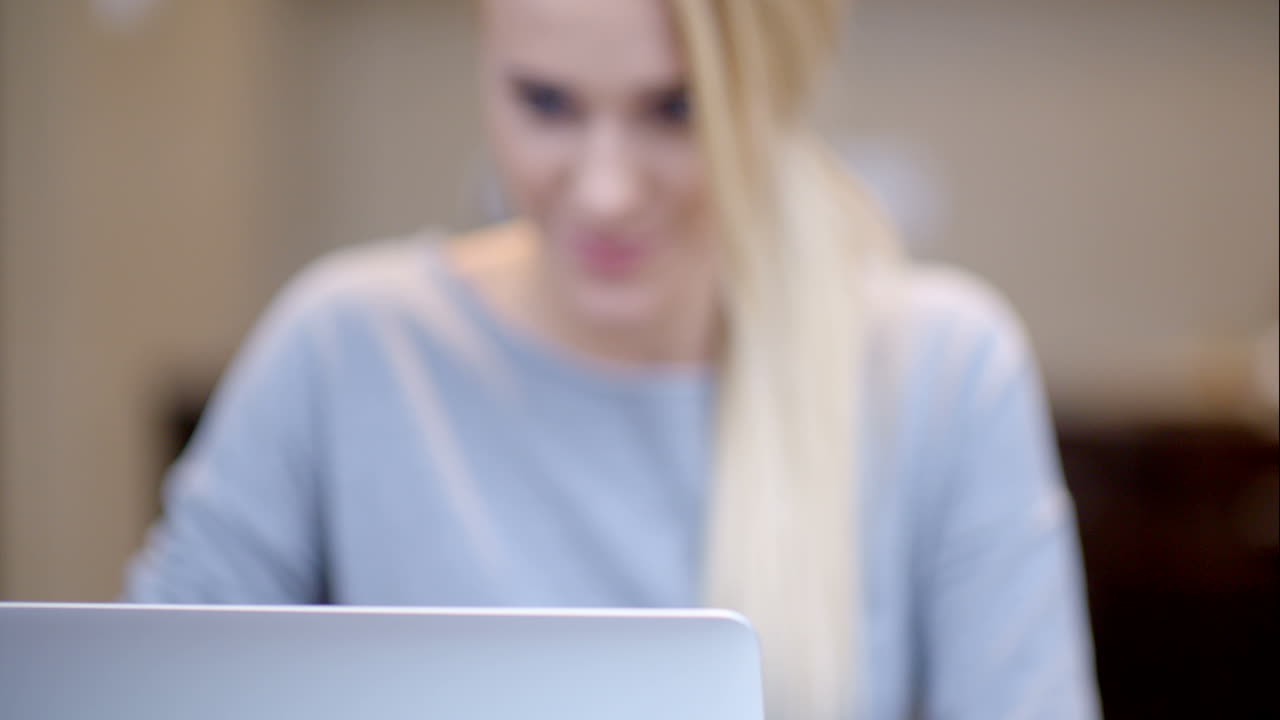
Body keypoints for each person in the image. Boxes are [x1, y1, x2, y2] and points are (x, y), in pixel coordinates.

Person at [125, 0, 1100, 717]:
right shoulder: (343, 350)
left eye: (673, 110)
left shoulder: (940, 377)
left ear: (776, 96)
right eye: (545, 103)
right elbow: (130, 693)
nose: (601, 191)